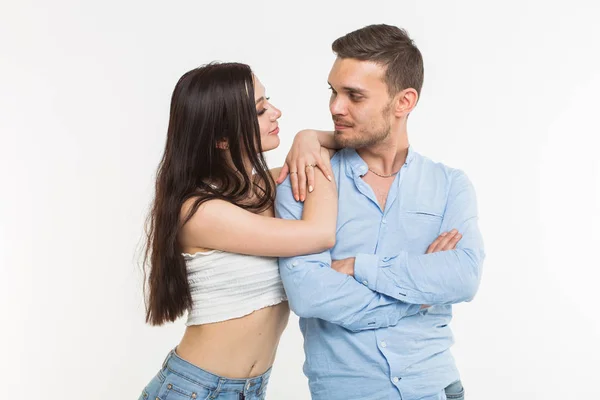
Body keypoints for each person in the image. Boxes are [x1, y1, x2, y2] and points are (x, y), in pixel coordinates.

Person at [275, 24, 485, 400]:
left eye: (354, 96)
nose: (335, 107)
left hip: (435, 387)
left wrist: (361, 267)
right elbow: (308, 292)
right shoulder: (306, 177)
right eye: (333, 92)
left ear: (404, 102)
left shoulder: (450, 184)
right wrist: (417, 296)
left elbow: (463, 277)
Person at [139, 61, 339, 400]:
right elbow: (320, 234)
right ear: (220, 137)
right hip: (196, 390)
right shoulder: (200, 211)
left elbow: (353, 146)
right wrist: (311, 147)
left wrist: (310, 138)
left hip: (248, 390)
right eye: (261, 110)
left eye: (268, 102)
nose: (276, 112)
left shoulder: (263, 189)